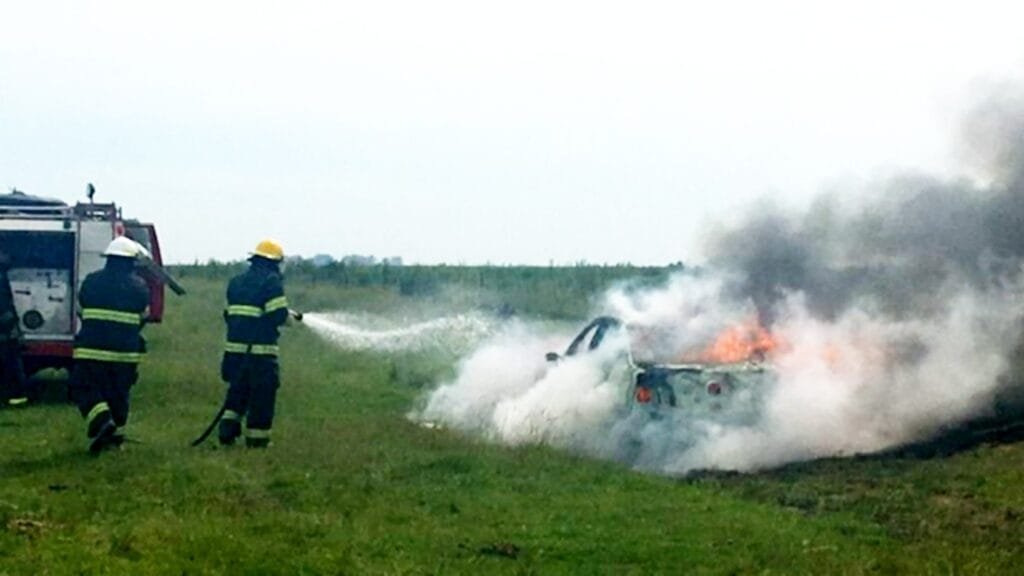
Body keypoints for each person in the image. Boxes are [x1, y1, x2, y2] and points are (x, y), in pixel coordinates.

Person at [70, 236, 150, 453]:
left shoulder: (91, 281)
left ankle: (103, 421)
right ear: (131, 262)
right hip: (126, 354)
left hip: (91, 350)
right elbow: (143, 317)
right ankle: (115, 440)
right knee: (118, 394)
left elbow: (80, 310)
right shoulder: (140, 287)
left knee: (83, 388)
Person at [218, 239, 289, 448]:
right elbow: (277, 315)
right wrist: (287, 318)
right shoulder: (271, 281)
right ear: (274, 262)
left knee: (237, 392)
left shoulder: (236, 281)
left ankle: (226, 432)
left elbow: (228, 313)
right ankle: (258, 442)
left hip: (234, 352)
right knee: (262, 397)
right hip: (260, 355)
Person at [0, 250, 29, 407]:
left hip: (5, 329)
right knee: (11, 362)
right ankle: (16, 394)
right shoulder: (1, 276)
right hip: (5, 330)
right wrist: (11, 324)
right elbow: (4, 302)